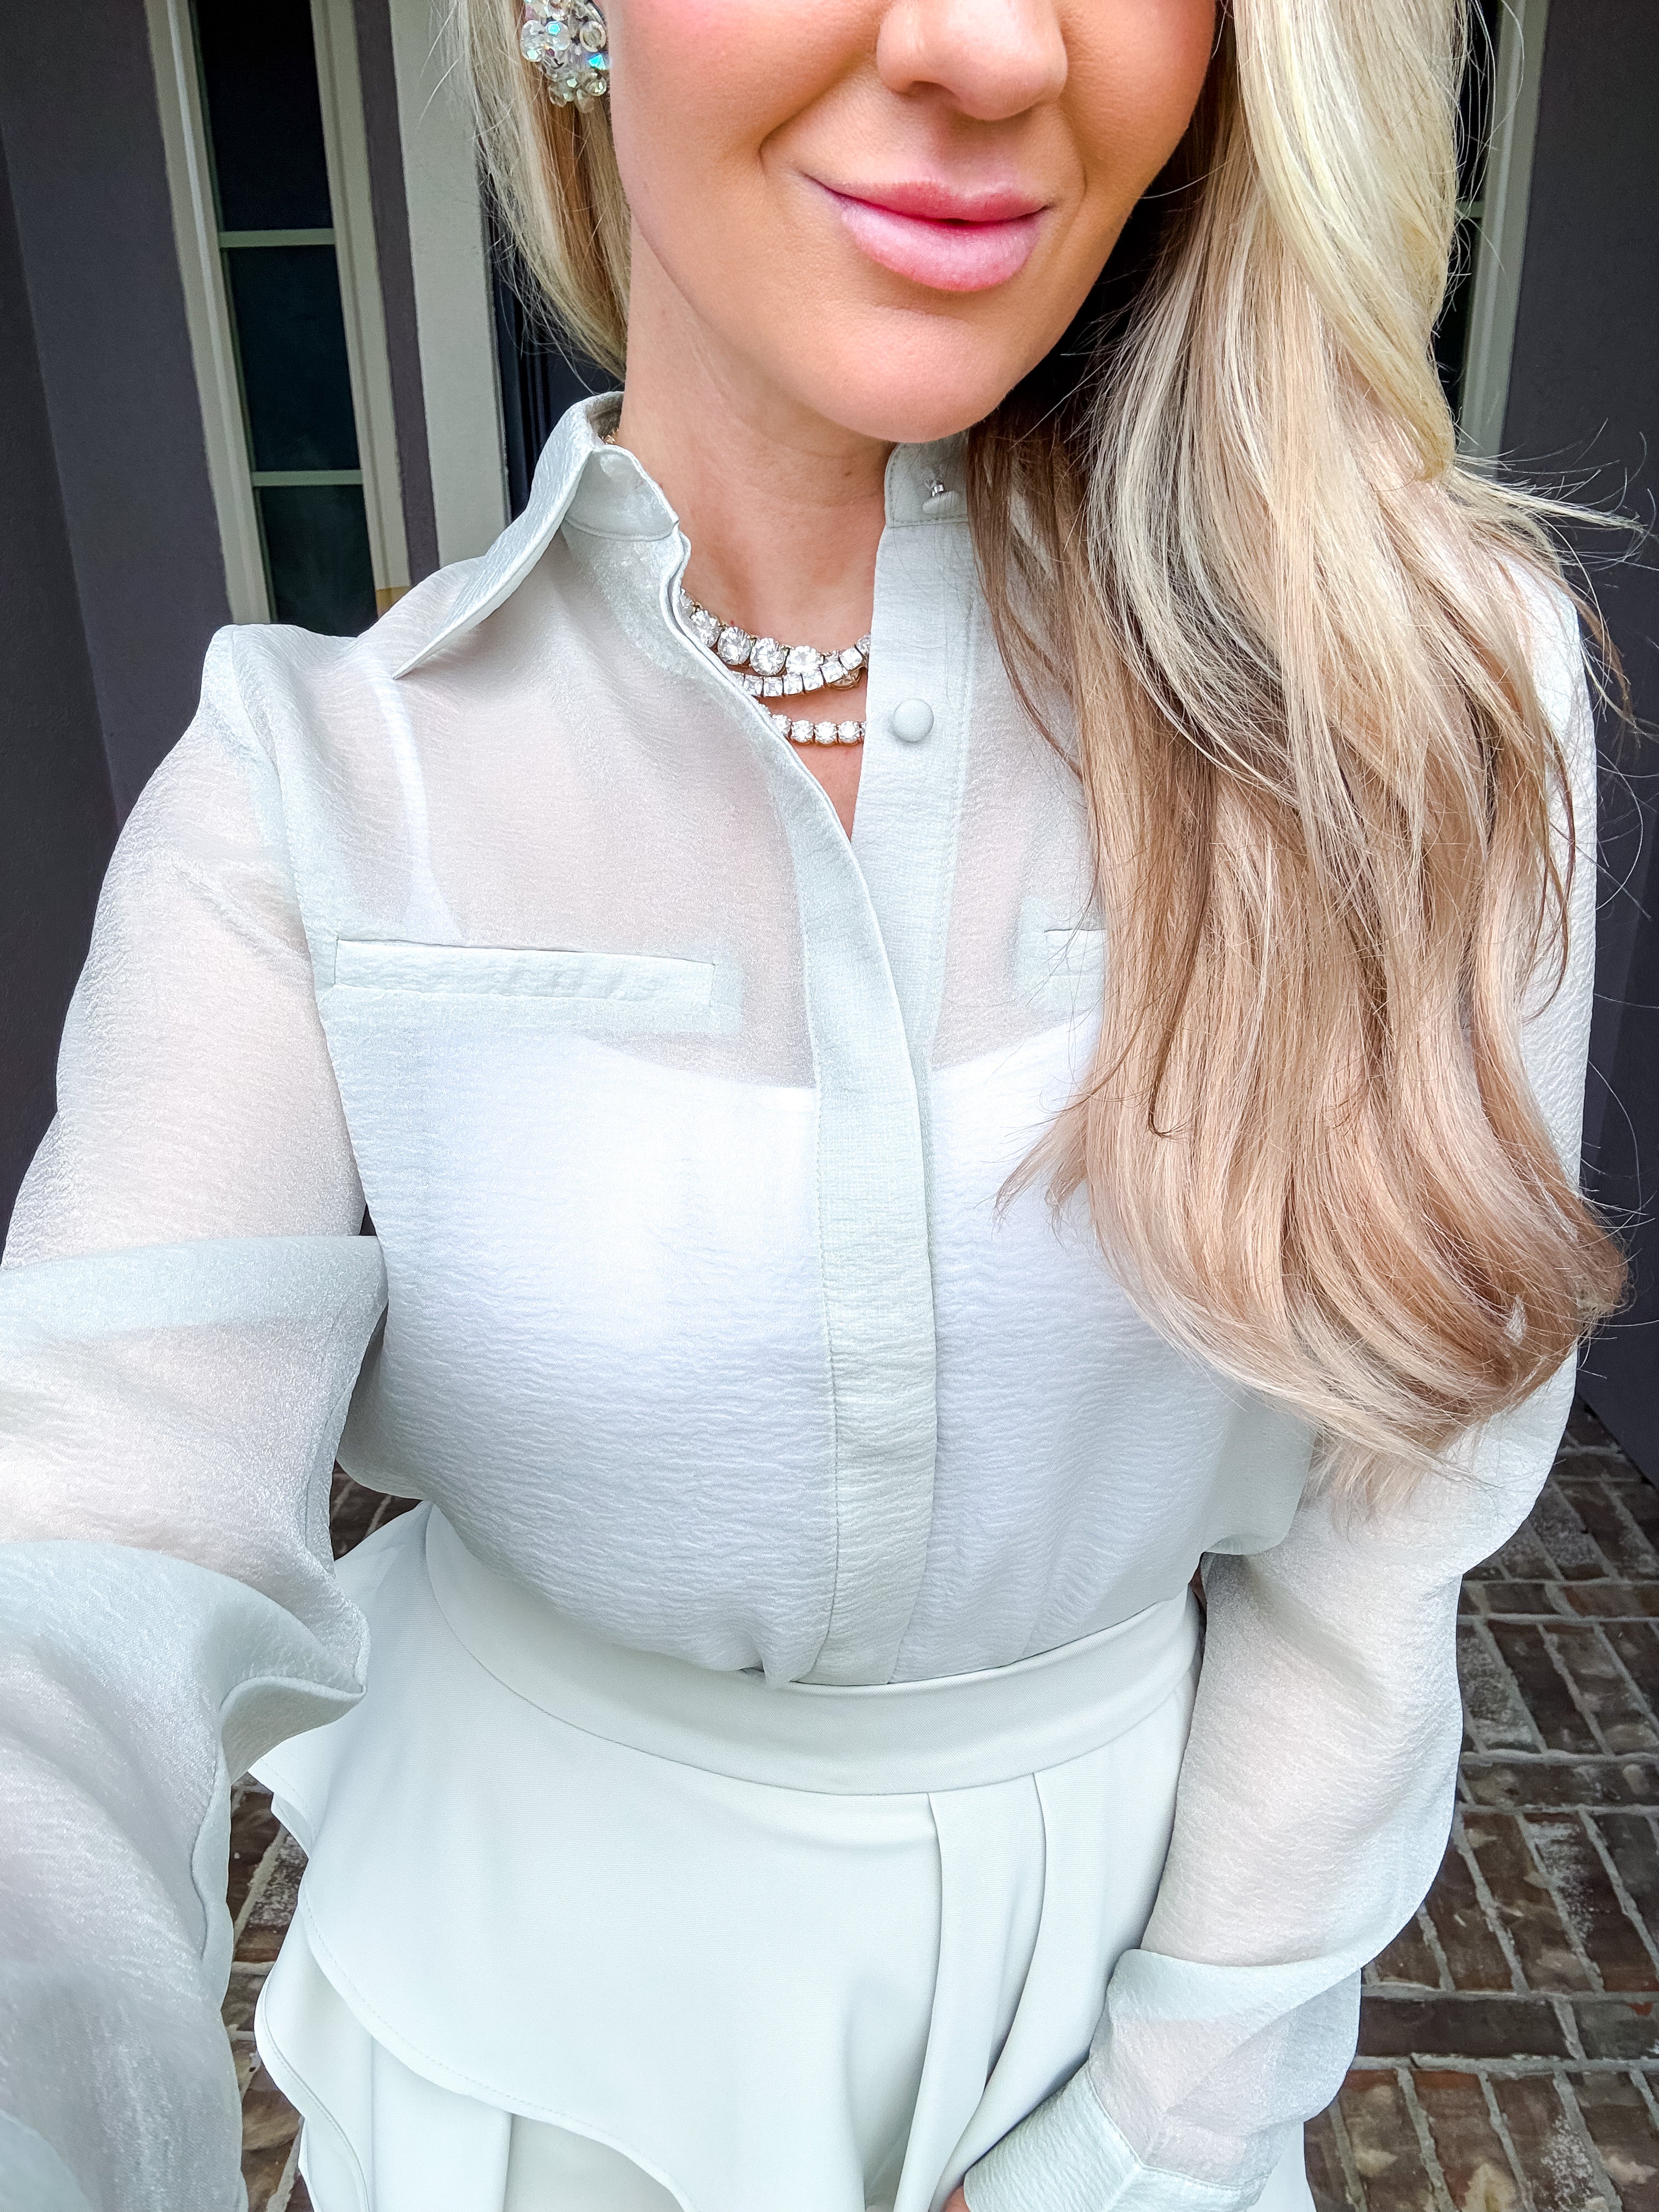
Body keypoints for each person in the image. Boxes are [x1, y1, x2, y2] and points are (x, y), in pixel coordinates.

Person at [0, 1, 1624, 2208]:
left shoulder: (1415, 698)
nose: (990, 47)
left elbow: (1391, 1530)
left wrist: (1148, 2144)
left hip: (1134, 2030)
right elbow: (78, 1567)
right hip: (525, 2048)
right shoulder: (315, 797)